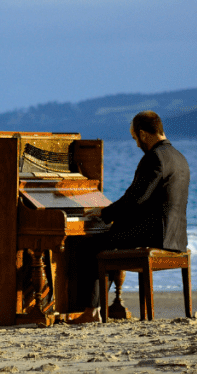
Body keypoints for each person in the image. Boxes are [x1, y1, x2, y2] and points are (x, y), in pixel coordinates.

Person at [67, 110, 190, 322]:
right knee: (105, 240)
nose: (136, 145)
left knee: (89, 245)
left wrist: (105, 213)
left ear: (143, 134)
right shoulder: (179, 157)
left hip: (153, 236)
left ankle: (91, 311)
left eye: (135, 138)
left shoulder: (154, 158)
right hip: (176, 237)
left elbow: (135, 199)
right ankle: (98, 308)